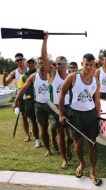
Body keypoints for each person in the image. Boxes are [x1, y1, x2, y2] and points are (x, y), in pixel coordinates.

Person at [59, 53, 102, 186]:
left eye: (91, 65)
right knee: (78, 144)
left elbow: (97, 100)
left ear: (94, 65)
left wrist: (98, 116)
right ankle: (82, 164)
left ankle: (92, 171)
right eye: (86, 64)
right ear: (82, 64)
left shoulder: (96, 81)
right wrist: (61, 114)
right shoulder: (73, 77)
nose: (89, 67)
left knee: (92, 144)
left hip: (90, 115)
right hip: (75, 115)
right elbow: (62, 93)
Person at [42, 32, 73, 168]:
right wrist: (45, 40)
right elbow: (44, 58)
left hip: (70, 107)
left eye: (63, 63)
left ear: (66, 64)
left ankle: (68, 149)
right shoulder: (52, 74)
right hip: (56, 108)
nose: (61, 65)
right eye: (58, 63)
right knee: (60, 134)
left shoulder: (71, 76)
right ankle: (64, 159)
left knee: (70, 135)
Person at [12, 57, 51, 157]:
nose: (41, 65)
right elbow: (22, 89)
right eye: (39, 63)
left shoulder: (52, 74)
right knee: (37, 123)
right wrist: (16, 101)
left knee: (54, 127)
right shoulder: (26, 77)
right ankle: (39, 141)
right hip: (33, 102)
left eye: (43, 63)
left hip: (51, 104)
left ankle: (54, 143)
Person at [3, 53, 30, 142]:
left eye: (20, 59)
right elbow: (5, 83)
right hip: (21, 97)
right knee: (24, 117)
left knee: (33, 117)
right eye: (17, 60)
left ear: (24, 59)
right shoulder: (14, 72)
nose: (19, 61)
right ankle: (27, 135)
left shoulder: (30, 70)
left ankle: (34, 133)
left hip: (31, 96)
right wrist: (4, 77)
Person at [16, 58, 41, 148]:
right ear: (27, 64)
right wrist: (17, 102)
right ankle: (37, 140)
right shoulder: (23, 77)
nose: (31, 64)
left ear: (35, 63)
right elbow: (20, 90)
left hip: (41, 101)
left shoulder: (41, 74)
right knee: (33, 122)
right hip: (29, 101)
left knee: (44, 122)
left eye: (33, 63)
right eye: (29, 63)